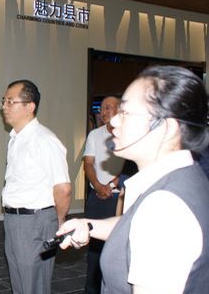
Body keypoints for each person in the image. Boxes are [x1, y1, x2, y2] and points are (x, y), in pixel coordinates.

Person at [58, 65, 209, 293]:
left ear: (166, 128)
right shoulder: (182, 177)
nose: (114, 122)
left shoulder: (165, 207)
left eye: (125, 113)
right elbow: (134, 226)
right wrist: (88, 225)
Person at [1, 79, 72, 294]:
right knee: (19, 283)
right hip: (14, 220)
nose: (4, 106)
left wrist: (59, 222)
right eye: (4, 101)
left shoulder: (44, 140)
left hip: (36, 222)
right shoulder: (15, 139)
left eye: (10, 101)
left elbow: (63, 188)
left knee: (34, 285)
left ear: (29, 107)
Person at [82, 96, 124, 293]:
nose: (103, 112)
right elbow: (88, 163)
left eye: (108, 108)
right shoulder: (95, 135)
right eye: (102, 108)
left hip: (119, 198)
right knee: (94, 249)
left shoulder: (127, 133)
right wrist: (98, 186)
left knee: (116, 248)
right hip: (96, 198)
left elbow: (132, 166)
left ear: (119, 110)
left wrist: (112, 184)